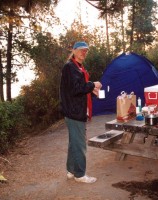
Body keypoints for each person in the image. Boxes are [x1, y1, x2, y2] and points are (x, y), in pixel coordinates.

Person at [59, 41, 102, 183]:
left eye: (86, 51)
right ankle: (80, 174)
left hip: (75, 110)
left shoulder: (78, 67)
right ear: (74, 51)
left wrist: (92, 90)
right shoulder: (70, 67)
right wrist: (92, 84)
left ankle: (71, 171)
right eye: (81, 50)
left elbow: (78, 89)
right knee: (80, 144)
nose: (84, 53)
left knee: (74, 143)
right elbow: (76, 88)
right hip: (74, 111)